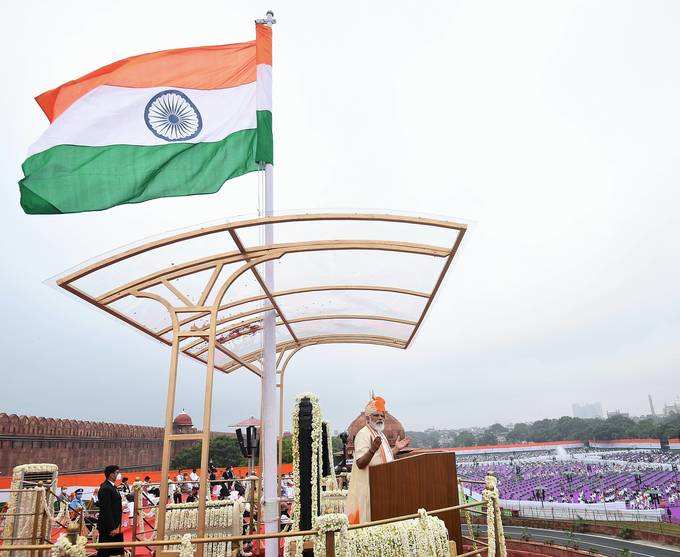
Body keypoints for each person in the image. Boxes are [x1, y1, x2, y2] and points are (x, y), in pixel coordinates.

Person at [344, 394, 410, 524]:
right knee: (369, 523)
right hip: (370, 488)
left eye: (382, 415)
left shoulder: (380, 434)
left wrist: (396, 449)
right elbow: (360, 463)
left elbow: (383, 457)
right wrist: (372, 449)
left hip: (384, 486)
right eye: (376, 415)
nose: (380, 418)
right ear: (368, 418)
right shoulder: (364, 434)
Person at [97, 465, 123, 557]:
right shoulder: (105, 488)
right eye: (117, 473)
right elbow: (106, 509)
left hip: (114, 525)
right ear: (111, 475)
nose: (118, 475)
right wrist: (112, 527)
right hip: (107, 527)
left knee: (114, 551)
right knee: (104, 552)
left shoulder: (113, 487)